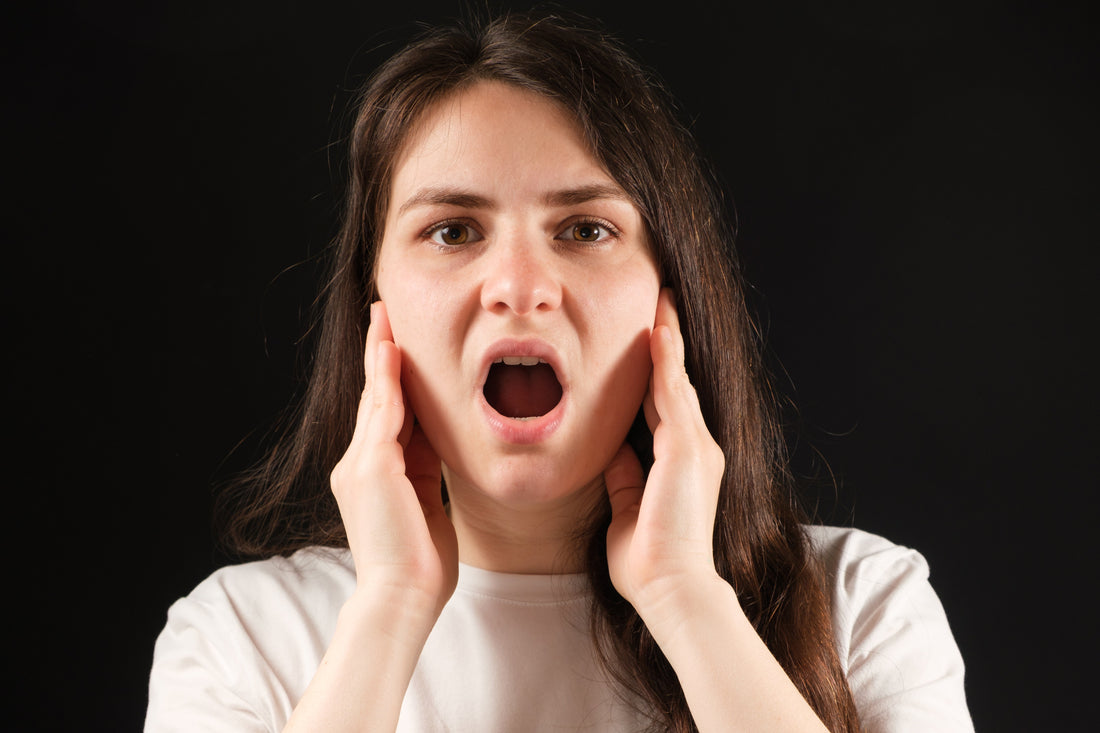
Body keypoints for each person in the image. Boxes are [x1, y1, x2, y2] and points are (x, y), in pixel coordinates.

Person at [146, 11, 973, 733]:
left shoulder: (864, 604)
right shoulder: (238, 640)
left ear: (669, 297)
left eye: (583, 229)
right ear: (375, 299)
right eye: (452, 230)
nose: (518, 287)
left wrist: (687, 598)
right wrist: (390, 604)